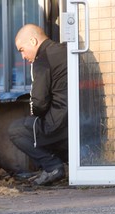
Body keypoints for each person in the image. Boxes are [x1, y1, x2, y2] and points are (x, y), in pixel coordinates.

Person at [8, 24, 68, 185]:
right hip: (82, 122)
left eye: (21, 49)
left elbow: (39, 104)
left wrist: (36, 115)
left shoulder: (42, 59)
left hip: (60, 124)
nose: (23, 56)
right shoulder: (66, 51)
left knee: (17, 130)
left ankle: (52, 167)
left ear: (33, 41)